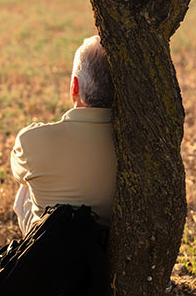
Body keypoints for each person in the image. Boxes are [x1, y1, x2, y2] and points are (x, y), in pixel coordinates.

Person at [11, 35, 117, 235]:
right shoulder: (136, 143)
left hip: (52, 250)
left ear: (74, 86)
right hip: (109, 248)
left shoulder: (31, 140)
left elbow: (18, 173)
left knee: (26, 185)